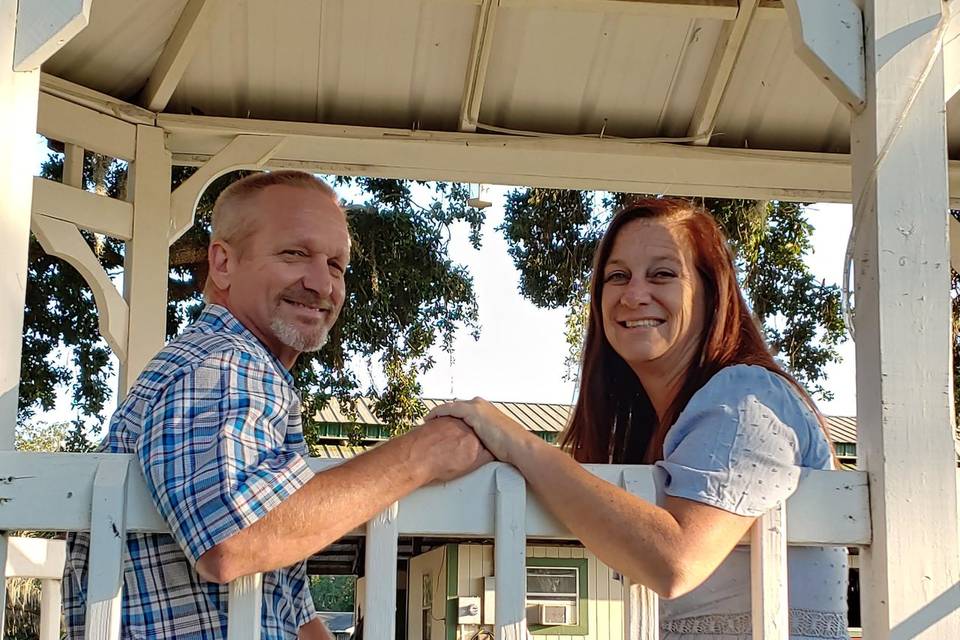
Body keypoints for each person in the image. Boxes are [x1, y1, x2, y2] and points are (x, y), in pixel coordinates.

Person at [63, 170, 491, 640]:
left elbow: (290, 606)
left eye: (336, 265)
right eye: (295, 254)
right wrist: (425, 453)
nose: (322, 284)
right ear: (222, 264)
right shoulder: (225, 362)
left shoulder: (250, 375)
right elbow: (234, 539)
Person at [429, 198, 848, 639]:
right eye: (617, 276)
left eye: (663, 274)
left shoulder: (745, 396)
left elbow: (676, 560)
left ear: (712, 291)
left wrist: (518, 442)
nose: (633, 295)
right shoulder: (672, 426)